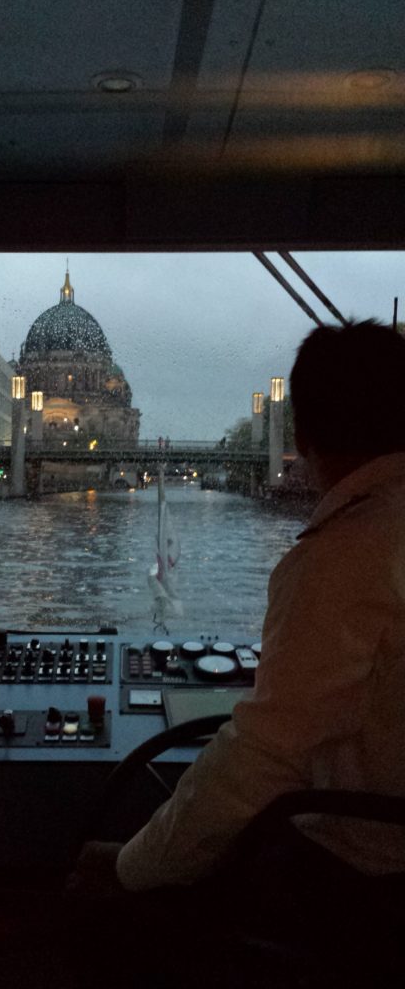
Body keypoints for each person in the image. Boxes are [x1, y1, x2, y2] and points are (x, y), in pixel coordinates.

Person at [71, 320, 405, 901]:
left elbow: (265, 754)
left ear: (302, 439)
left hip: (363, 869)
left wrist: (132, 867)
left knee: (111, 872)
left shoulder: (347, 553)